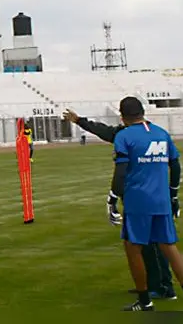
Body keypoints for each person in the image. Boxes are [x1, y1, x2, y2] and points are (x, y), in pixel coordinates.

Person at [62, 108, 175, 300]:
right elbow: (103, 130)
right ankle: (149, 284)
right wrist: (80, 120)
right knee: (143, 245)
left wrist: (113, 197)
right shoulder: (128, 133)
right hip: (141, 196)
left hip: (146, 196)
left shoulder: (140, 134)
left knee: (153, 244)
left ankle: (164, 286)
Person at [111, 97, 183, 311]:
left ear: (122, 117)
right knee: (168, 245)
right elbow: (175, 165)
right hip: (161, 200)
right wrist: (174, 195)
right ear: (143, 112)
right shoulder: (161, 133)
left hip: (138, 201)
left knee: (133, 248)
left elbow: (121, 172)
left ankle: (145, 301)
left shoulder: (124, 136)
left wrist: (112, 199)